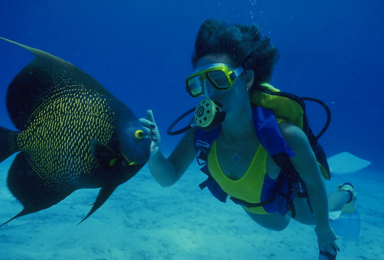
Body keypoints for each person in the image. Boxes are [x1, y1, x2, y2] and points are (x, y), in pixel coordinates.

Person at [140, 19, 356, 259]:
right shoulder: (200, 132)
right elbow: (168, 177)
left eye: (219, 79)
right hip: (255, 206)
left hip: (286, 198)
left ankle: (347, 191)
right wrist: (153, 153)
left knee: (311, 216)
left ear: (247, 79)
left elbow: (315, 183)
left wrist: (323, 230)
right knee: (278, 224)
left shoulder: (286, 135)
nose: (210, 92)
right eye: (200, 84)